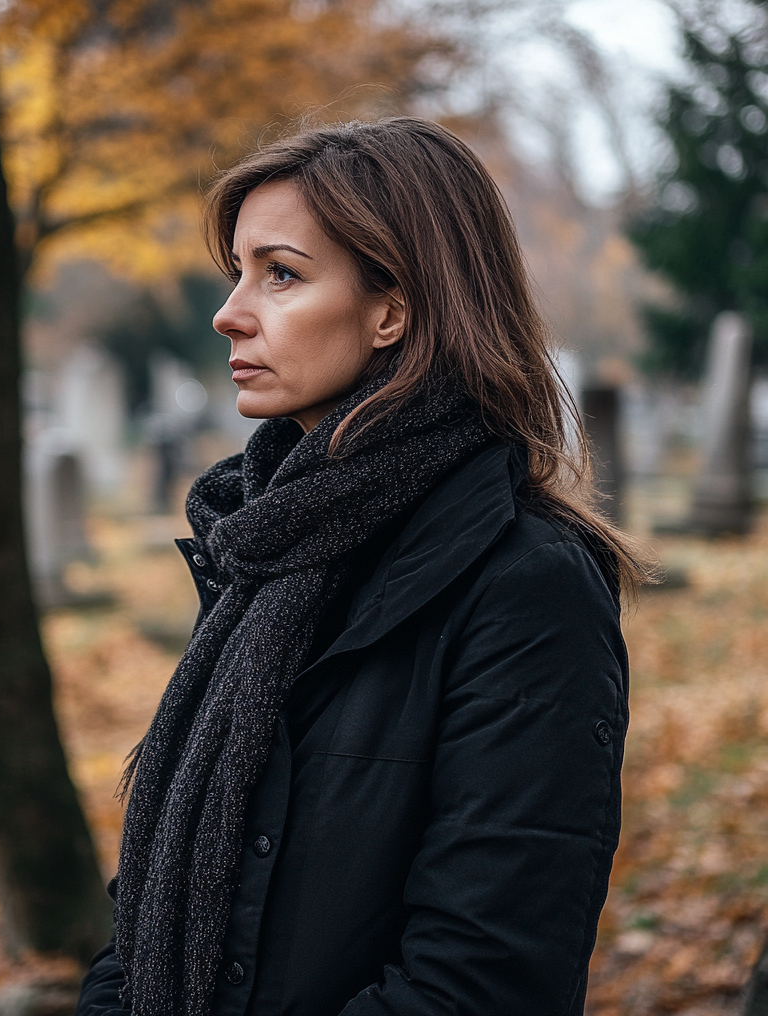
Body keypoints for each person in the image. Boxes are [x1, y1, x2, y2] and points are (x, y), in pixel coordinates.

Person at [76, 117, 651, 1016]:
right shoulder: (263, 551)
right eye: (238, 271)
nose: (230, 311)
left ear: (394, 309)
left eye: (282, 274)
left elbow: (483, 977)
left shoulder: (526, 587)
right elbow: (151, 901)